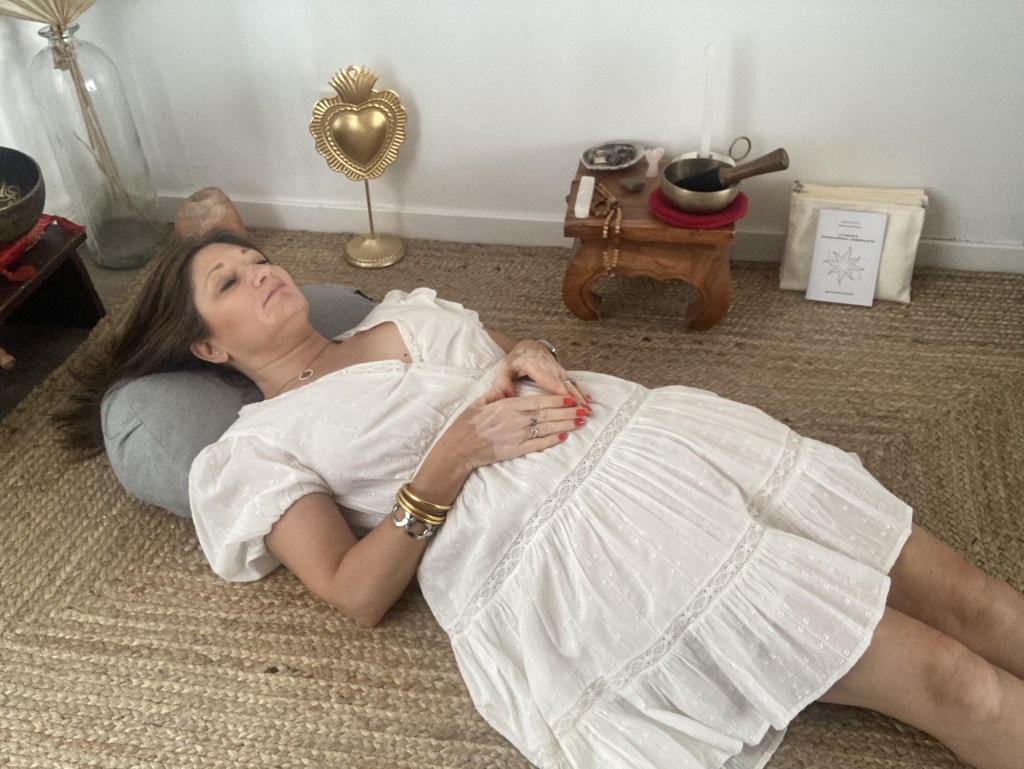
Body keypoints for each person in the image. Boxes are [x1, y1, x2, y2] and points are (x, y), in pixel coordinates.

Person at [60, 229, 1024, 769]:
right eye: (229, 280)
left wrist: (530, 351)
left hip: (657, 434)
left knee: (975, 600)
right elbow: (355, 591)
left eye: (256, 255)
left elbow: (503, 367)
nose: (264, 269)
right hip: (585, 542)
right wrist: (448, 460)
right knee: (954, 681)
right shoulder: (257, 447)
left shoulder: (409, 313)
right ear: (209, 347)